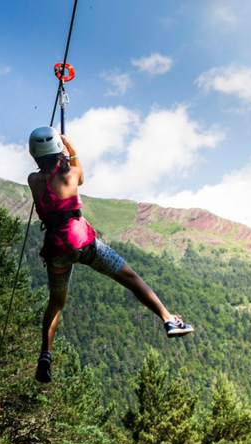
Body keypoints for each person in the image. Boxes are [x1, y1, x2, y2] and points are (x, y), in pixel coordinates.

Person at [27, 126, 194, 383]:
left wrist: (58, 152)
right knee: (131, 278)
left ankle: (45, 354)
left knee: (56, 303)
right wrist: (70, 147)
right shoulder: (72, 174)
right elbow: (77, 171)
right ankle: (169, 319)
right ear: (58, 150)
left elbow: (46, 176)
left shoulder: (33, 181)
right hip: (83, 242)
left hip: (56, 249)